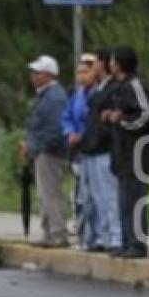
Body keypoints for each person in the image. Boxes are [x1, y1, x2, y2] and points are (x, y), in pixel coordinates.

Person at [104, 46, 149, 259]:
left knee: (135, 198)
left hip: (136, 151)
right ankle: (127, 242)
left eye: (113, 60)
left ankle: (138, 244)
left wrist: (123, 121)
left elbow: (146, 114)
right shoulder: (120, 86)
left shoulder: (135, 85)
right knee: (124, 200)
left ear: (120, 63)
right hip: (122, 152)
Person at [77, 49, 122, 254]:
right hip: (92, 149)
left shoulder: (113, 88)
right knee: (96, 197)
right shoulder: (98, 90)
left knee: (109, 196)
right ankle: (103, 236)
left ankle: (116, 237)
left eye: (94, 63)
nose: (91, 67)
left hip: (105, 149)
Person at [21, 55, 68, 247]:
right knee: (44, 194)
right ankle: (48, 233)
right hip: (41, 151)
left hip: (49, 152)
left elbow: (54, 128)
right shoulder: (45, 95)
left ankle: (57, 234)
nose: (33, 75)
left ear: (49, 75)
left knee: (51, 193)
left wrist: (39, 148)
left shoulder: (54, 96)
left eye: (37, 72)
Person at [61, 55, 99, 248]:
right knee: (79, 195)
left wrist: (82, 134)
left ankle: (94, 235)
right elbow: (66, 116)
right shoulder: (75, 95)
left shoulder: (97, 94)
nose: (81, 76)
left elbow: (93, 121)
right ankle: (83, 233)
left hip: (92, 147)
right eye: (78, 72)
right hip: (77, 151)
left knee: (92, 196)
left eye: (85, 71)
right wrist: (70, 133)